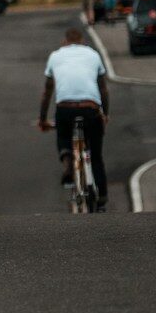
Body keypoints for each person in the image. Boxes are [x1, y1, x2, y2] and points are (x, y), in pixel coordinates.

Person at [37, 27, 110, 210]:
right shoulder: (93, 54)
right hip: (90, 108)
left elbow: (47, 92)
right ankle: (102, 195)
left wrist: (42, 119)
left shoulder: (55, 56)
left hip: (65, 108)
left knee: (63, 134)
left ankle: (67, 159)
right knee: (96, 155)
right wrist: (105, 114)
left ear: (65, 41)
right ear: (82, 41)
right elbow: (103, 89)